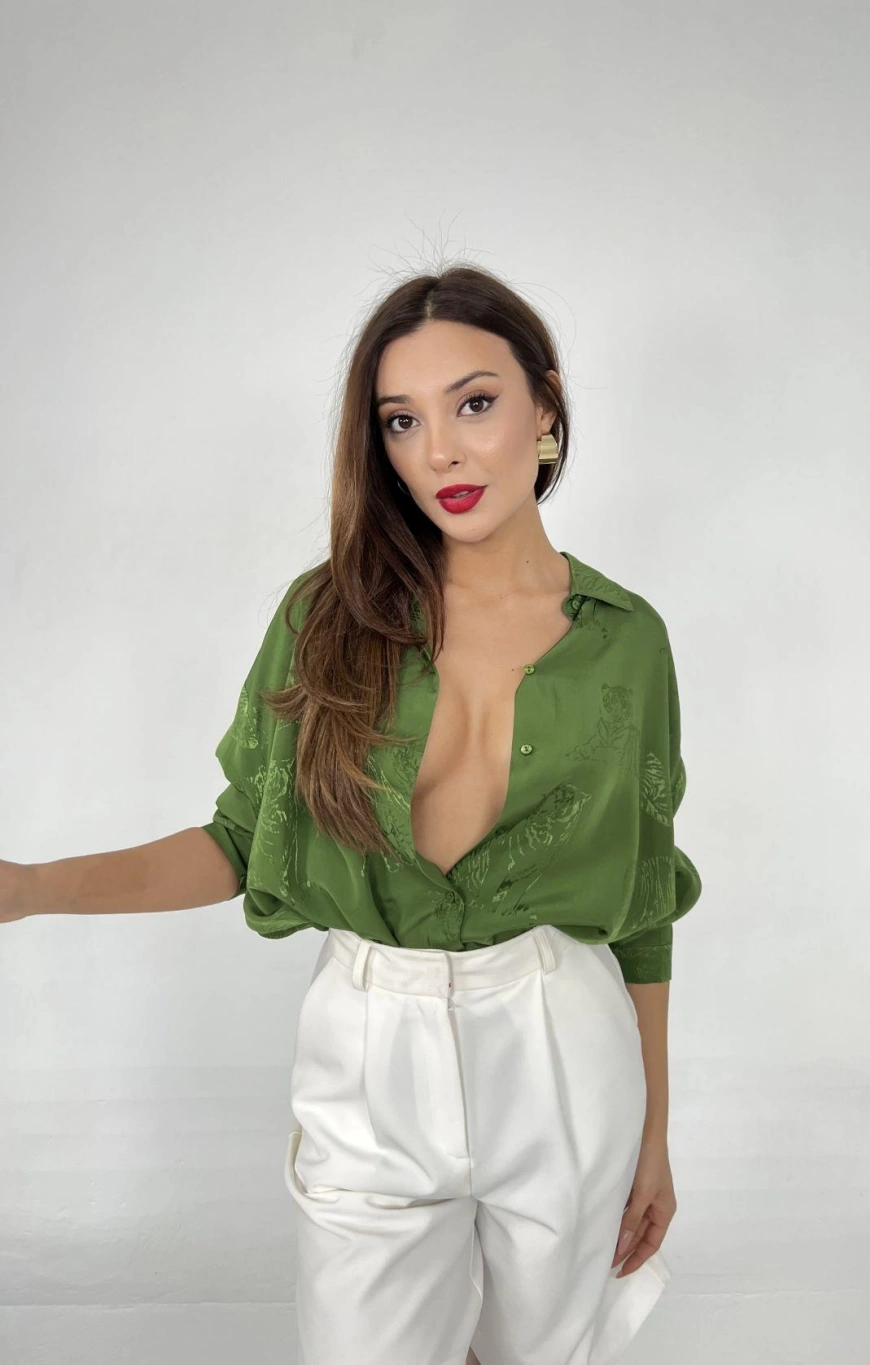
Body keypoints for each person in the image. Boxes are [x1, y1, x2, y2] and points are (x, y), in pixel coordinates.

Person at [1, 263, 702, 1365]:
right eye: (401, 421)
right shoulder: (327, 619)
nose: (441, 452)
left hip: (564, 1042)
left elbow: (646, 899)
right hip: (372, 1050)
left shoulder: (628, 641)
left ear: (546, 407)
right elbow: (242, 841)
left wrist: (655, 1133)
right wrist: (27, 890)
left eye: (475, 403)